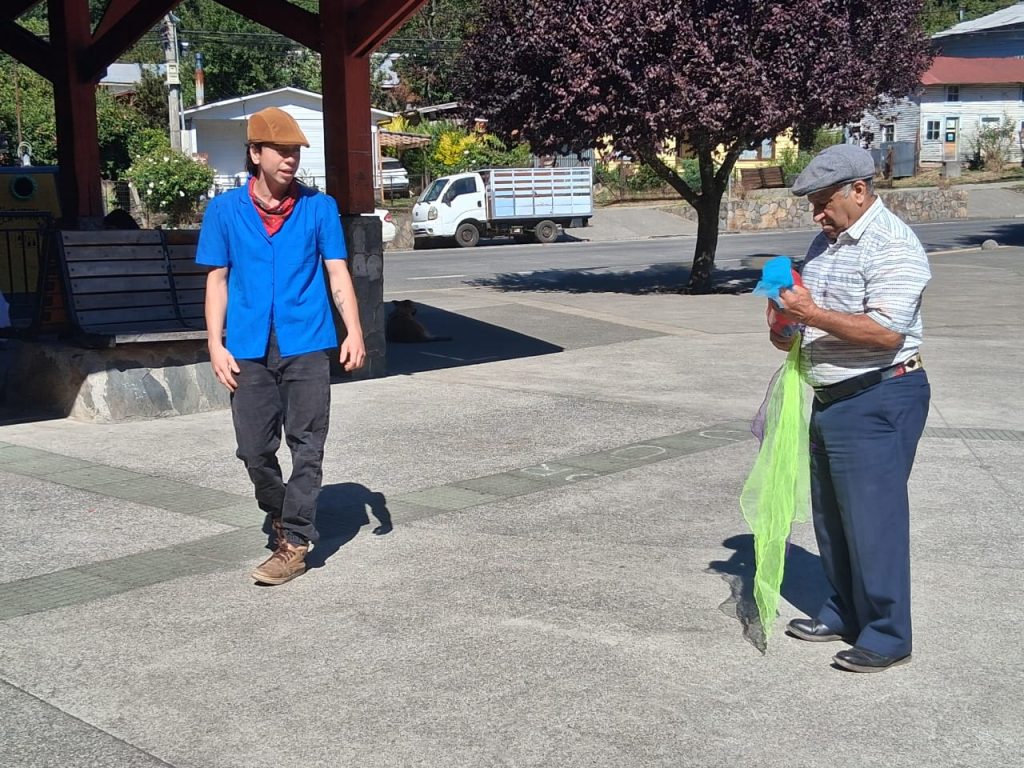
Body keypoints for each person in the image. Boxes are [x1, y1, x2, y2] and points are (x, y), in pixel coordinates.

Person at [771, 144, 931, 673]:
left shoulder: (892, 245)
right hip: (832, 398)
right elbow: (803, 324)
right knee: (833, 518)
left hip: (878, 394)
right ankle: (844, 609)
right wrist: (783, 319)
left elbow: (886, 333)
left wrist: (811, 311)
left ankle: (887, 634)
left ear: (859, 191)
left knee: (873, 521)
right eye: (813, 205)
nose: (816, 215)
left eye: (823, 203)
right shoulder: (825, 243)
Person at [196, 106, 366, 586]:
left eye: (295, 151)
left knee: (307, 444)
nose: (290, 159)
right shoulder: (224, 211)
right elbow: (217, 280)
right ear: (255, 153)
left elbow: (337, 272)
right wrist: (215, 344)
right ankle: (279, 511)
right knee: (253, 450)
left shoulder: (319, 207)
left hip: (306, 340)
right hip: (247, 345)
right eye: (281, 150)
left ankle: (295, 542)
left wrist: (354, 331)